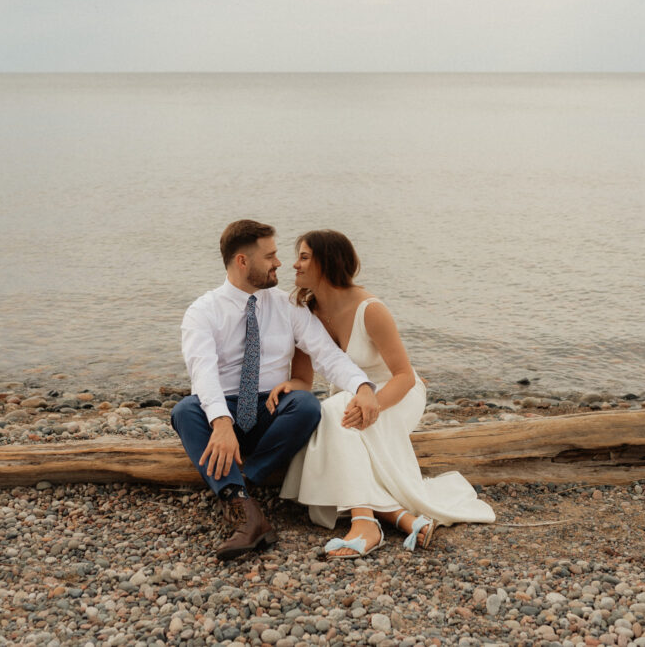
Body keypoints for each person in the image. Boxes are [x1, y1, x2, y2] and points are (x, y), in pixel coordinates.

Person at [171, 220, 381, 561]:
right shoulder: (203, 311)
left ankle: (240, 487)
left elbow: (327, 355)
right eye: (270, 256)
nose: (279, 263)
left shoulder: (288, 306)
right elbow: (203, 373)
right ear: (242, 261)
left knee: (306, 405)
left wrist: (362, 386)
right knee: (184, 411)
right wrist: (222, 424)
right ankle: (249, 514)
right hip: (222, 409)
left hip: (271, 414)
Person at [278, 230, 495, 559]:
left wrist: (372, 403)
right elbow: (303, 380)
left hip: (396, 395)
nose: (294, 264)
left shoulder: (370, 309)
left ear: (327, 262)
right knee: (333, 413)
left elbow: (405, 376)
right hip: (349, 399)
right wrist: (285, 388)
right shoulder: (306, 313)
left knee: (336, 414)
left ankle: (364, 523)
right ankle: (401, 518)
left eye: (304, 257)